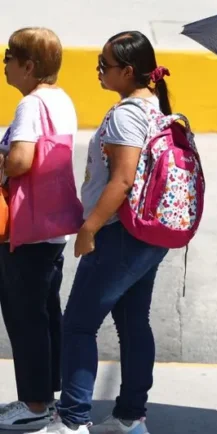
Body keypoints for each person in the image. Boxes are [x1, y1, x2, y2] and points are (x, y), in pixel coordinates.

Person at [32, 30, 173, 434]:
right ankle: (130, 418)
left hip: (118, 232)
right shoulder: (157, 109)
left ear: (128, 71)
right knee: (133, 323)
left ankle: (73, 420)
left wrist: (89, 227)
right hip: (147, 235)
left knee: (78, 324)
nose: (98, 70)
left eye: (104, 65)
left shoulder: (128, 113)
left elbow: (123, 179)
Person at [0, 27, 77, 431]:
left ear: (29, 66)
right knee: (46, 314)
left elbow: (21, 160)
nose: (5, 67)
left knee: (24, 317)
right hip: (51, 228)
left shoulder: (30, 105)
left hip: (25, 230)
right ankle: (46, 398)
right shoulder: (60, 100)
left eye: (8, 59)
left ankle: (33, 406)